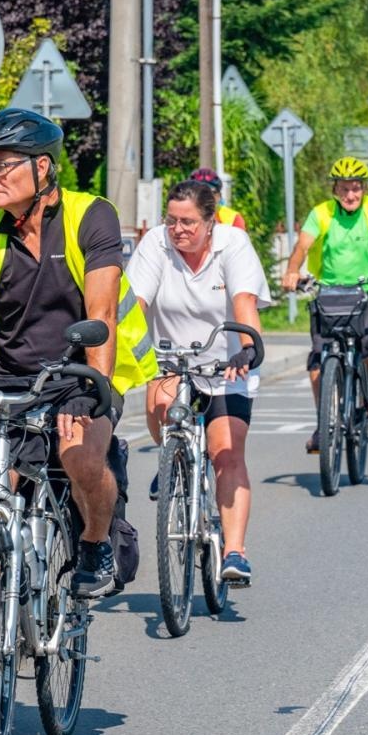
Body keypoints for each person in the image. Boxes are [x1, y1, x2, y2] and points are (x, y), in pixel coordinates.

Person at [0, 108, 157, 598]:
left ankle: (94, 540)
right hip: (3, 377)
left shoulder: (91, 215)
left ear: (42, 167)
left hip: (79, 371)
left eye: (3, 166)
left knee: (78, 453)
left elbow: (102, 311)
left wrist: (91, 387)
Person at [128, 180, 267, 586]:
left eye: (188, 221)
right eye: (171, 220)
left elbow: (245, 301)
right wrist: (125, 354)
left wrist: (247, 346)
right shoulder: (156, 244)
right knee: (161, 402)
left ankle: (235, 552)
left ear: (210, 221)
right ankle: (174, 460)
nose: (178, 229)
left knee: (227, 453)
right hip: (172, 359)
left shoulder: (233, 243)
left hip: (227, 366)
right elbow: (136, 304)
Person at [282, 156, 368, 449]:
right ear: (335, 189)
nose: (351, 195)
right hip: (330, 291)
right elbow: (302, 246)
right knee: (319, 358)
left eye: (356, 188)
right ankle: (325, 422)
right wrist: (292, 271)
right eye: (345, 188)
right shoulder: (321, 213)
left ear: (364, 189)